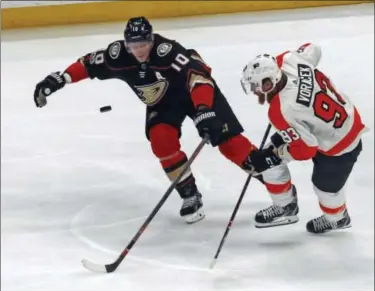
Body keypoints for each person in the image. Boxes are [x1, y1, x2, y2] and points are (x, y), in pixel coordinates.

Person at [34, 16, 294, 225]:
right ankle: (190, 194)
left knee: (229, 143)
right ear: (126, 44)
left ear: (152, 39)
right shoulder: (117, 56)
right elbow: (88, 63)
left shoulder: (168, 51)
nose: (139, 51)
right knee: (161, 140)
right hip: (163, 102)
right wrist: (59, 79)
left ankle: (281, 193)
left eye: (143, 44)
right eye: (134, 46)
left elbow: (198, 75)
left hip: (197, 93)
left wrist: (204, 110)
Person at [240, 43, 366, 233]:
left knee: (325, 188)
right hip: (339, 119)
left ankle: (338, 219)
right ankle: (285, 206)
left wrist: (276, 154)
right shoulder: (288, 59)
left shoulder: (282, 111)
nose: (254, 90)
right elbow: (313, 48)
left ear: (268, 83)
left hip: (340, 144)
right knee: (267, 154)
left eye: (256, 86)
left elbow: (306, 150)